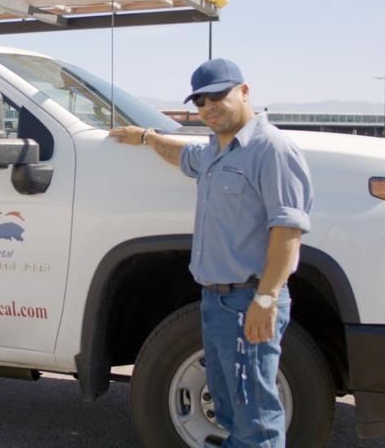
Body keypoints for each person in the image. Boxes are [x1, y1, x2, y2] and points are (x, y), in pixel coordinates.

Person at [110, 58, 312, 447]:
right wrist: (147, 137)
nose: (209, 107)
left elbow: (288, 231)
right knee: (231, 410)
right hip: (216, 302)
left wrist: (266, 298)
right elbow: (180, 156)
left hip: (248, 300)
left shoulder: (272, 149)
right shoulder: (215, 152)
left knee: (256, 419)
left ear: (244, 91)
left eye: (218, 95)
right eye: (200, 101)